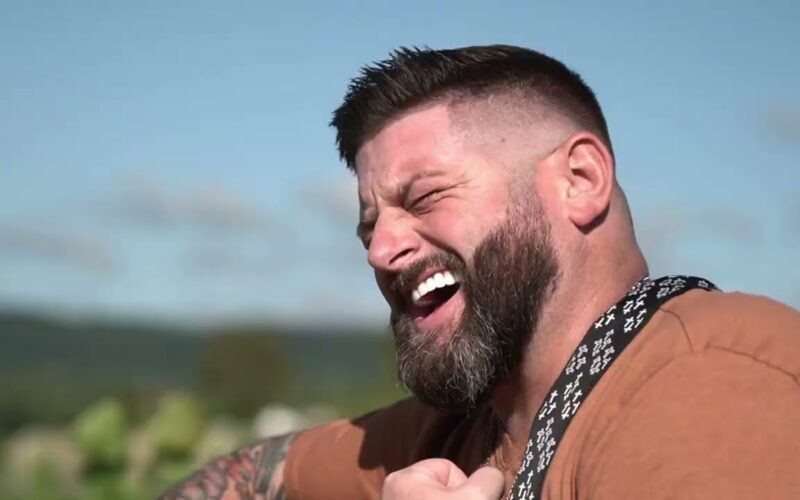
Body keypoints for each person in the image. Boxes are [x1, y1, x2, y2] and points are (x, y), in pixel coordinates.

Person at [161, 45, 800, 500]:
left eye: (425, 197)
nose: (380, 251)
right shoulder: (458, 430)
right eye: (368, 229)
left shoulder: (710, 392)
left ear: (581, 179)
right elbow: (252, 476)